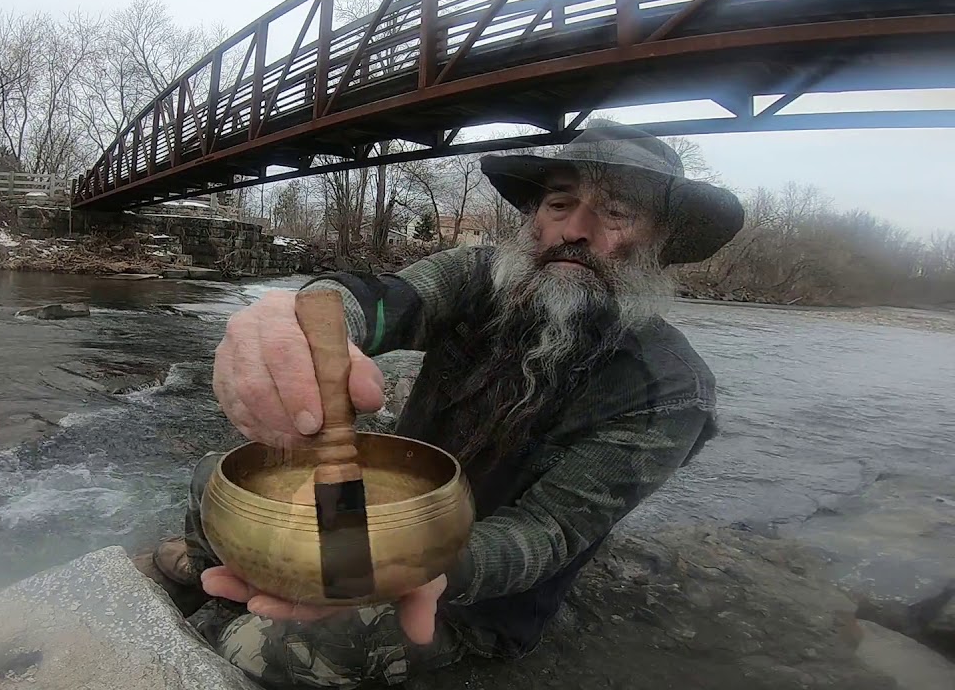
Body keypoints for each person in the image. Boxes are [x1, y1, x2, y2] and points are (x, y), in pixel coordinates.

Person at [134, 122, 745, 688]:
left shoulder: (669, 389)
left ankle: (232, 612)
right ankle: (222, 570)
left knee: (253, 646)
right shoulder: (478, 276)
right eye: (559, 204)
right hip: (380, 510)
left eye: (616, 212)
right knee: (218, 477)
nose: (574, 230)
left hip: (470, 589)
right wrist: (296, 320)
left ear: (659, 242)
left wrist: (412, 566)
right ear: (536, 216)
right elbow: (380, 300)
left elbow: (549, 532)